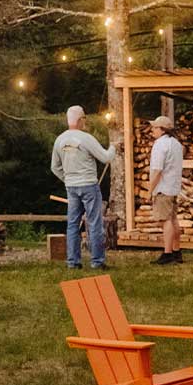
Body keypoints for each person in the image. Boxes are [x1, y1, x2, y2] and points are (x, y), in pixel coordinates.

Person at [51, 105, 116, 270]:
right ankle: (97, 261)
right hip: (88, 185)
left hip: (71, 187)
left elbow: (55, 167)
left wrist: (68, 179)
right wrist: (115, 146)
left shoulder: (60, 140)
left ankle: (73, 262)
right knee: (94, 223)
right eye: (84, 119)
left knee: (72, 224)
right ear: (80, 120)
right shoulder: (86, 138)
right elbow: (105, 157)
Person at [147, 115, 184, 265]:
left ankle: (167, 253)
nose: (152, 130)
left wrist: (150, 189)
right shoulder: (176, 144)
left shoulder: (160, 145)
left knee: (166, 221)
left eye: (155, 127)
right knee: (174, 219)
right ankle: (176, 251)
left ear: (162, 130)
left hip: (163, 187)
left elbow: (157, 170)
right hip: (173, 186)